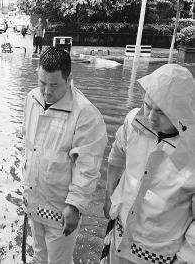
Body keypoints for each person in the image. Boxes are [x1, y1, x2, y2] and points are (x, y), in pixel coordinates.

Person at [22, 46, 107, 263]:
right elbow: (29, 146)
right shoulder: (32, 98)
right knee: (39, 255)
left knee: (59, 260)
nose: (46, 91)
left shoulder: (85, 114)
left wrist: (75, 205)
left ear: (69, 80)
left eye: (54, 85)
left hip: (60, 207)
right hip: (35, 198)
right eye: (42, 82)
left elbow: (87, 167)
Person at [103, 64, 195, 264]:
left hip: (158, 256)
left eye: (161, 112)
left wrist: (185, 259)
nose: (151, 117)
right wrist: (109, 193)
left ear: (181, 109)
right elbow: (117, 154)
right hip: (119, 238)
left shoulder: (192, 151)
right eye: (147, 105)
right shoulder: (134, 122)